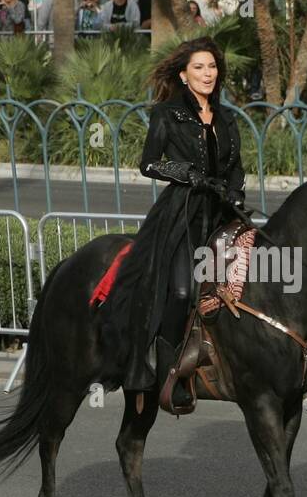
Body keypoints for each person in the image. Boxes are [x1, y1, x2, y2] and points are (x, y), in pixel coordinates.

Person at [98, 38, 245, 408]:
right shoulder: (167, 114)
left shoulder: (227, 117)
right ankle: (168, 375)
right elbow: (148, 162)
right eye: (199, 67)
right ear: (183, 75)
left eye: (212, 67)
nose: (207, 74)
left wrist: (236, 192)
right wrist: (186, 173)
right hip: (182, 215)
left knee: (253, 283)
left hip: (223, 215)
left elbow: (236, 165)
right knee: (182, 293)